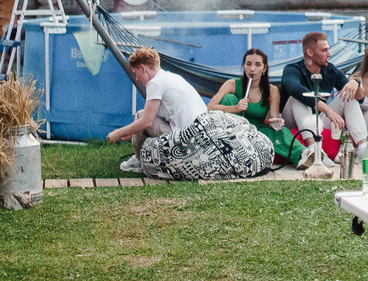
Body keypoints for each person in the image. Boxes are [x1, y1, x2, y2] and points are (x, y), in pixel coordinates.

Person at [108, 47, 273, 181]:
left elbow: (146, 122)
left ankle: (138, 161)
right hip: (204, 131)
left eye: (136, 74)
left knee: (140, 116)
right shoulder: (173, 77)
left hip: (186, 138)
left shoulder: (155, 83)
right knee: (143, 117)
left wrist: (118, 133)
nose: (137, 79)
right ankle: (142, 158)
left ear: (143, 68)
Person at [209, 46, 298, 169]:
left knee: (281, 132)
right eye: (248, 64)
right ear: (244, 66)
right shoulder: (232, 84)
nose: (252, 69)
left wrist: (277, 121)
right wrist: (235, 108)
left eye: (257, 65)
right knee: (229, 98)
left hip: (258, 132)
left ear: (264, 68)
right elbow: (210, 107)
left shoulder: (272, 90)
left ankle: (306, 156)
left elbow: (272, 119)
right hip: (234, 132)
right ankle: (229, 153)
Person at [278, 32, 349, 155]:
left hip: (318, 120)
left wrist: (356, 82)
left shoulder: (330, 70)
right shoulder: (292, 69)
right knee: (300, 97)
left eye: (328, 49)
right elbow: (294, 89)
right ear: (310, 52)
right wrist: (328, 110)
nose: (329, 54)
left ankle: (362, 146)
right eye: (324, 50)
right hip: (290, 120)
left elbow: (361, 99)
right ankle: (314, 150)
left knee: (348, 97)